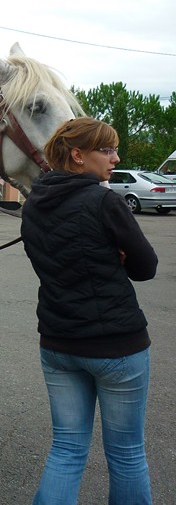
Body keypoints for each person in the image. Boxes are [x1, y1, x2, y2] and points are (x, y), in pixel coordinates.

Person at [20, 117, 158, 505]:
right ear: (78, 155)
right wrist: (120, 259)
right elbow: (145, 268)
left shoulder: (33, 205)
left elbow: (53, 260)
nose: (115, 158)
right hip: (117, 347)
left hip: (58, 344)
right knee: (128, 454)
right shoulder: (104, 200)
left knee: (66, 450)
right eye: (107, 150)